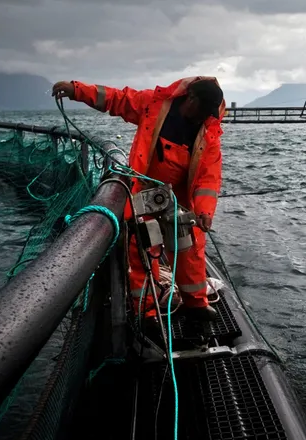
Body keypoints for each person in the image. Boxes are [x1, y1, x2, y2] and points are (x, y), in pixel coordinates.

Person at [52, 77, 225, 342]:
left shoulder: (209, 131)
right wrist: (76, 90)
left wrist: (204, 211)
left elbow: (208, 178)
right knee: (143, 248)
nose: (203, 117)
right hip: (143, 189)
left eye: (208, 114)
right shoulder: (153, 104)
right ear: (190, 98)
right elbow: (115, 99)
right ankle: (146, 313)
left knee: (188, 249)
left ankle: (196, 306)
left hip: (177, 199)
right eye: (201, 110)